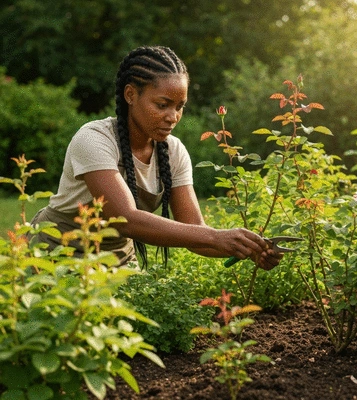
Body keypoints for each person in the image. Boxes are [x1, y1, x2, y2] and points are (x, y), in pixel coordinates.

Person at [29, 45, 282, 269]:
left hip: (115, 258)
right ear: (130, 95)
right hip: (57, 252)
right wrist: (216, 237)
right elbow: (125, 219)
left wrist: (247, 249)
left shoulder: (173, 152)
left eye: (179, 107)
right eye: (162, 105)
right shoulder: (94, 139)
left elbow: (198, 236)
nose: (172, 116)